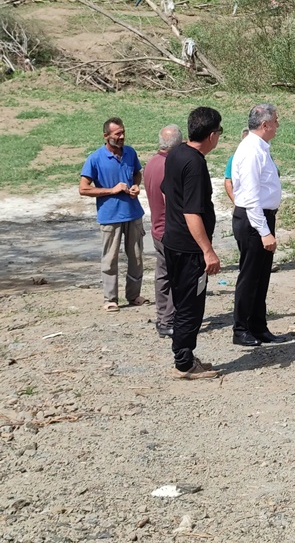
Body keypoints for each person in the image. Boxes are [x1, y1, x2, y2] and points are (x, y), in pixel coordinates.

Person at [162, 106, 223, 380]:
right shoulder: (195, 164)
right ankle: (184, 363)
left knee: (182, 301)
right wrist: (207, 251)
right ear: (211, 135)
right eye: (219, 132)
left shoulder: (176, 152)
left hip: (172, 241)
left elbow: (167, 193)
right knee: (191, 305)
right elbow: (192, 212)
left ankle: (184, 356)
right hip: (189, 249)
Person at [231, 104, 287, 348]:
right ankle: (241, 328)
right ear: (265, 124)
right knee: (250, 276)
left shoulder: (260, 147)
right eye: (275, 121)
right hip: (253, 219)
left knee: (261, 276)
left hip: (262, 217)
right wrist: (264, 232)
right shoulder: (251, 150)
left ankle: (258, 326)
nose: (277, 125)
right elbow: (251, 195)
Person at [79, 117, 145, 312]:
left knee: (136, 258)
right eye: (118, 134)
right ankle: (110, 299)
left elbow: (137, 173)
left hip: (133, 213)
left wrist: (136, 186)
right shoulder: (95, 158)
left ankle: (134, 295)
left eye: (123, 132)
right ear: (106, 136)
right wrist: (111, 190)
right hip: (110, 217)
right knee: (110, 259)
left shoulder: (130, 152)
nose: (122, 136)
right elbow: (83, 189)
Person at [143, 124, 183, 337]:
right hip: (170, 229)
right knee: (173, 276)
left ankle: (163, 317)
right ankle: (168, 320)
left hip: (157, 226)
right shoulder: (170, 166)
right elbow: (171, 200)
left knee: (163, 274)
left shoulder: (151, 162)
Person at [224, 128, 249, 204]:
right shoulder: (235, 158)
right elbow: (228, 182)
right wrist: (236, 202)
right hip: (243, 202)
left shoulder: (264, 156)